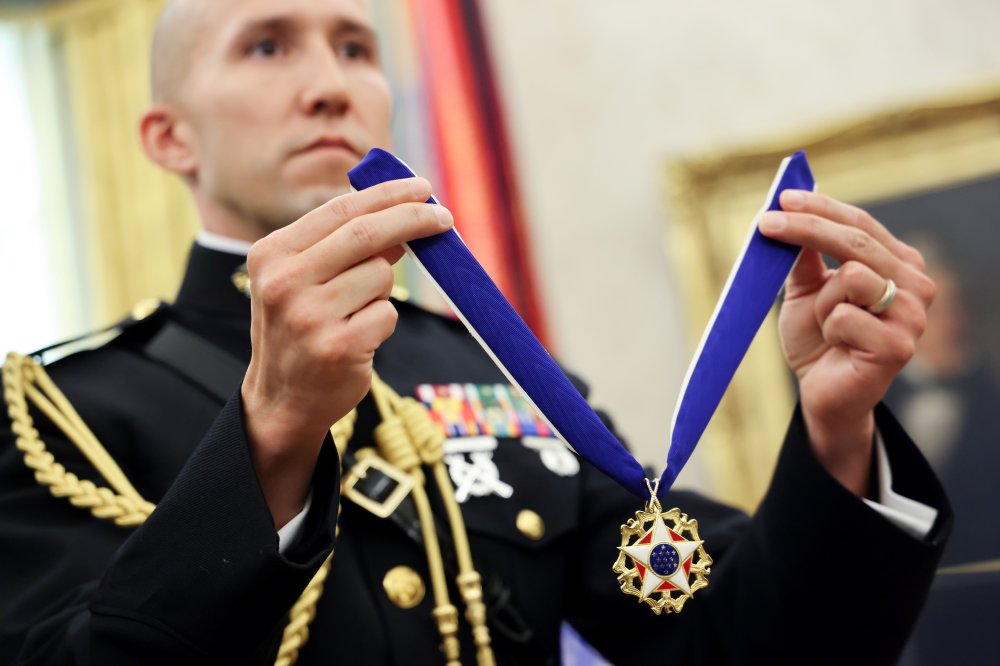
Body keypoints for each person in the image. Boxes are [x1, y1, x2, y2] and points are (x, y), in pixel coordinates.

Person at [0, 0, 950, 664]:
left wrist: (838, 433)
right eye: (266, 47)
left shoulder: (504, 379)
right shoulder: (62, 416)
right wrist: (274, 432)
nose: (332, 86)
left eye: (357, 47)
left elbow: (736, 644)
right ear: (170, 138)